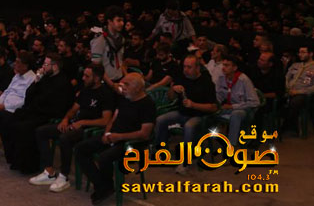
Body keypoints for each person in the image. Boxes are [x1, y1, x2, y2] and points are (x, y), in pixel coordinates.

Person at [30, 64, 115, 192]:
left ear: (97, 78)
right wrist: (65, 119)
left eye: (87, 76)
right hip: (74, 124)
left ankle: (64, 176)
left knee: (65, 138)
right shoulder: (85, 90)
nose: (83, 78)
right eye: (83, 75)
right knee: (41, 131)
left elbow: (105, 121)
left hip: (89, 129)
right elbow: (73, 109)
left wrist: (83, 122)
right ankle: (49, 172)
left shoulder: (105, 94)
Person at [75, 73, 156, 205]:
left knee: (104, 157)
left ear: (137, 88)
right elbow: (113, 118)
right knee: (80, 149)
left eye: (127, 84)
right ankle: (103, 186)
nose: (122, 87)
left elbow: (144, 134)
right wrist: (107, 133)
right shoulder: (125, 98)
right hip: (114, 136)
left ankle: (104, 187)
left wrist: (119, 137)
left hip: (131, 143)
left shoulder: (147, 104)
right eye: (122, 84)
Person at [0, 53, 73, 173]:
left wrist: (36, 106)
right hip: (35, 110)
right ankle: (13, 158)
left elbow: (56, 104)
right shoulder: (45, 78)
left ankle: (29, 165)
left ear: (55, 67)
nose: (43, 67)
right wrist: (36, 80)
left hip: (48, 114)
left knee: (23, 127)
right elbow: (29, 95)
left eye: (46, 65)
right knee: (9, 119)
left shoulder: (63, 82)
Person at [153, 54, 218, 175]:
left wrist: (194, 105)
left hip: (199, 115)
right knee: (161, 119)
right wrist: (173, 89)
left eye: (189, 67)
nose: (186, 70)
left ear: (197, 68)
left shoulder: (206, 82)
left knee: (189, 125)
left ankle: (185, 161)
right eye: (184, 67)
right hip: (182, 112)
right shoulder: (182, 78)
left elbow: (213, 107)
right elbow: (170, 97)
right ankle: (161, 152)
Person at [214, 55, 260, 145]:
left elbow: (255, 102)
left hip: (245, 109)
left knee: (236, 114)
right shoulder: (221, 78)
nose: (223, 68)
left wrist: (233, 106)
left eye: (227, 65)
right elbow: (219, 95)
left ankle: (232, 144)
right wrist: (215, 105)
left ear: (234, 68)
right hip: (227, 107)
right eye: (223, 65)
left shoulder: (244, 80)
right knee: (210, 111)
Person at [90, 6, 126, 90]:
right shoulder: (100, 39)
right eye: (118, 20)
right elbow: (97, 66)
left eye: (123, 20)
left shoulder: (121, 39)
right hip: (105, 83)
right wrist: (112, 85)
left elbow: (120, 61)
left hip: (119, 79)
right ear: (109, 21)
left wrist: (126, 76)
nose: (122, 23)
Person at [283, 46, 314, 133]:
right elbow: (286, 78)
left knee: (296, 101)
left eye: (303, 52)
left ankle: (287, 125)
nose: (300, 54)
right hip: (289, 90)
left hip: (303, 93)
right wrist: (287, 88)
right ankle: (290, 125)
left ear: (310, 54)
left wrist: (298, 92)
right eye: (299, 52)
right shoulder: (295, 65)